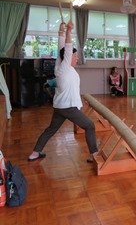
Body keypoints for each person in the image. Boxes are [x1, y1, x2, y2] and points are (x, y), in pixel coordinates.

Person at [28, 21, 98, 163]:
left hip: (60, 107)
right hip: (68, 107)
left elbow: (61, 49)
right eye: (75, 56)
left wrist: (60, 32)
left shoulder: (60, 67)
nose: (77, 58)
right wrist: (69, 31)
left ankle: (35, 153)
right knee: (90, 126)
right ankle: (94, 154)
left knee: (51, 130)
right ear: (67, 58)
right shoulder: (65, 67)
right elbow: (66, 48)